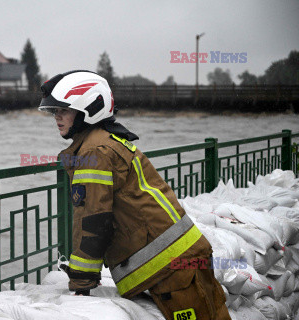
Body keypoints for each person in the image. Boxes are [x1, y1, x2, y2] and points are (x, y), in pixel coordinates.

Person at [38, 70, 230, 320]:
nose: (57, 117)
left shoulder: (94, 152)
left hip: (170, 266)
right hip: (180, 257)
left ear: (89, 109)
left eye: (64, 110)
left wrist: (81, 283)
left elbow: (94, 222)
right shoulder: (106, 141)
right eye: (55, 111)